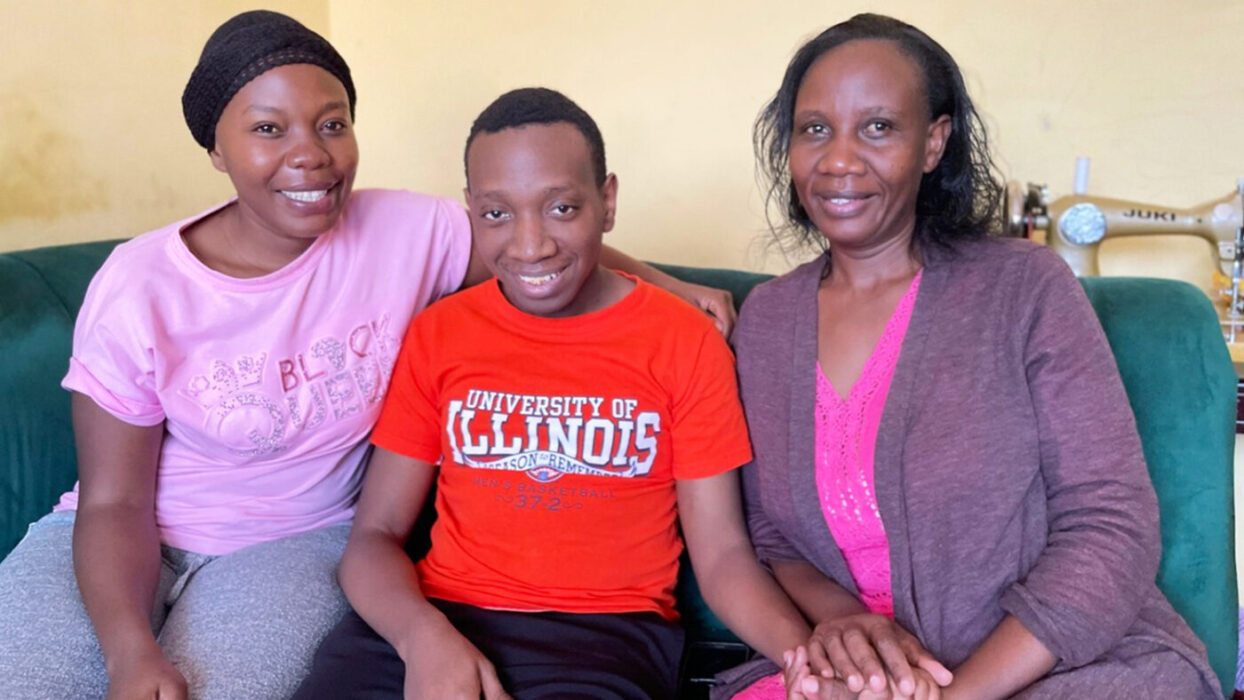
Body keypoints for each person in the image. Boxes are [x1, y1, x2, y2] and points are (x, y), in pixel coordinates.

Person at [0, 12, 734, 700]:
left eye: (332, 124)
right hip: (116, 537)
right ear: (217, 149)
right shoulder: (140, 284)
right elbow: (114, 501)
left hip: (292, 545)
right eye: (268, 128)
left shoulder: (408, 230)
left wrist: (672, 287)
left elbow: (538, 236)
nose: (310, 156)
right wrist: (128, 647)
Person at [716, 13, 1221, 700]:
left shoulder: (1024, 289)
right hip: (860, 682)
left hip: (1057, 668)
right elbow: (771, 536)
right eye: (814, 129)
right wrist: (846, 627)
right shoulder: (768, 323)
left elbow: (1111, 528)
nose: (838, 159)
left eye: (878, 127)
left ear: (933, 143)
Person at [291, 87, 812, 700]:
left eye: (561, 209)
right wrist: (423, 639)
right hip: (425, 625)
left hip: (604, 642)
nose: (530, 245)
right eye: (496, 214)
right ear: (471, 211)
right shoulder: (440, 334)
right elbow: (373, 538)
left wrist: (804, 656)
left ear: (607, 201)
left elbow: (723, 556)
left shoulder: (683, 342)